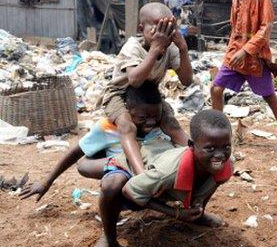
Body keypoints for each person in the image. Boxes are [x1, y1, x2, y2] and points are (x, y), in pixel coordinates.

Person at [86, 109, 234, 247]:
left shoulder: (226, 164)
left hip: (159, 169)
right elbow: (129, 191)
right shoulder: (167, 172)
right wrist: (175, 213)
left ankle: (198, 215)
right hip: (132, 170)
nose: (220, 155)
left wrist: (197, 208)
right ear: (191, 145)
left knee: (212, 175)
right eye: (210, 148)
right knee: (111, 187)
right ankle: (108, 238)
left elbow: (211, 182)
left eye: (226, 147)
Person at [19, 81, 172, 201]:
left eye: (156, 117)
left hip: (151, 182)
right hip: (123, 181)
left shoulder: (161, 127)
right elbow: (76, 152)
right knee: (115, 181)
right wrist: (47, 182)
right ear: (127, 110)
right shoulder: (108, 127)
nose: (151, 123)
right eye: (143, 118)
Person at [210, 0, 277, 151]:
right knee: (216, 88)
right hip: (234, 55)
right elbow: (234, 28)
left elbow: (265, 28)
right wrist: (231, 51)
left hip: (255, 58)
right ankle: (219, 133)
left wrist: (247, 50)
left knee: (268, 95)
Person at [100, 2, 193, 176]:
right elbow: (134, 80)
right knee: (127, 127)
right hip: (121, 93)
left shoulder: (170, 49)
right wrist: (155, 49)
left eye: (168, 27)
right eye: (157, 26)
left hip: (149, 94)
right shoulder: (133, 47)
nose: (162, 33)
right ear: (141, 28)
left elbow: (187, 80)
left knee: (171, 123)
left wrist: (183, 48)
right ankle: (141, 175)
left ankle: (196, 157)